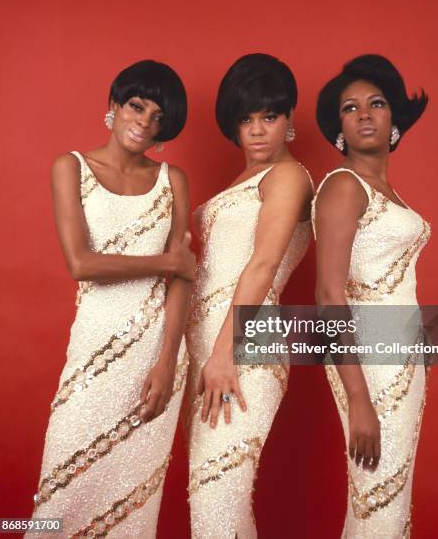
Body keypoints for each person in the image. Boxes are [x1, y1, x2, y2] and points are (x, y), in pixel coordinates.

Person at [28, 60, 196, 538]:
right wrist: (167, 263)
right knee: (60, 491)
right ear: (114, 106)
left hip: (156, 359)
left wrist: (166, 363)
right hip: (93, 352)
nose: (143, 122)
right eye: (136, 106)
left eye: (157, 117)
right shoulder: (71, 167)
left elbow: (184, 283)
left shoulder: (173, 180)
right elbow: (82, 263)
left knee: (131, 507)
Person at [185, 53, 313, 538]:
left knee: (218, 494)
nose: (257, 130)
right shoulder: (245, 179)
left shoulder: (288, 176)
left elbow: (262, 265)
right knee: (210, 496)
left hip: (244, 344)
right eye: (245, 118)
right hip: (208, 346)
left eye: (269, 116)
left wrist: (225, 352)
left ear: (289, 121)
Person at [312, 54, 431, 538]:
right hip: (369, 361)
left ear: (393, 117)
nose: (364, 114)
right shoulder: (344, 186)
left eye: (376, 103)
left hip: (402, 353)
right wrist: (359, 398)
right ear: (338, 125)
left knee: (389, 496)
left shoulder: (385, 189)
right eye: (350, 108)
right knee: (378, 495)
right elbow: (326, 292)